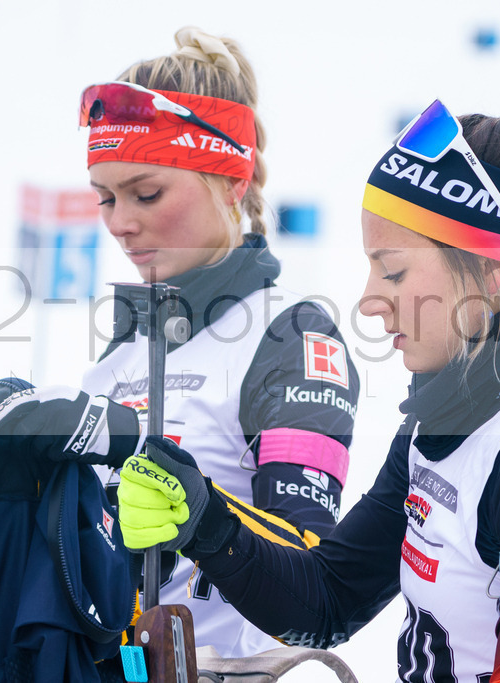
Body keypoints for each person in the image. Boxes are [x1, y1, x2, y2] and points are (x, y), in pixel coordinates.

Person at [117, 99, 500, 682]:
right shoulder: (450, 414)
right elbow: (328, 601)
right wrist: (208, 522)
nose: (369, 300)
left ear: (491, 267)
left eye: (393, 270)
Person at [68, 27, 357, 659]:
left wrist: (201, 513)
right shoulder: (120, 355)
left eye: (146, 193)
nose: (120, 223)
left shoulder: (289, 335)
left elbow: (311, 574)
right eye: (106, 198)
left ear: (232, 182)